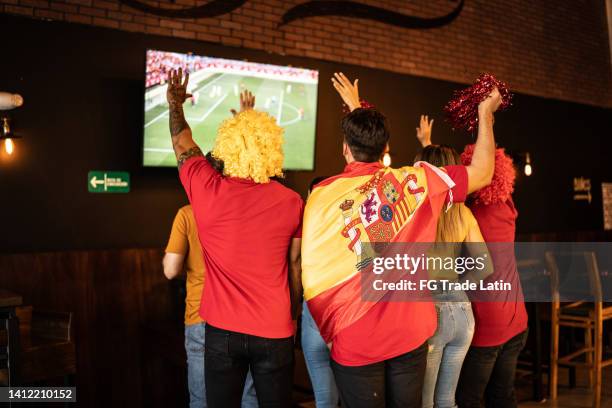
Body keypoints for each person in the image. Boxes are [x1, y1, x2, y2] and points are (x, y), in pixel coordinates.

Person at [301, 72, 501, 408]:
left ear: (345, 150)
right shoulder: (418, 180)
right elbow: (482, 171)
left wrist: (355, 111)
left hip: (355, 336)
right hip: (410, 332)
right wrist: (484, 114)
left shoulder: (322, 195)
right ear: (387, 150)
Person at [166, 69, 303, 408]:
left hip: (222, 332)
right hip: (275, 329)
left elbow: (183, 142)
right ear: (273, 147)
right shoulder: (291, 201)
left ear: (226, 146)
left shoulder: (206, 189)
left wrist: (174, 105)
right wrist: (294, 313)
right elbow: (295, 265)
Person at [417, 117, 528, 408]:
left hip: (483, 324)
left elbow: (440, 183)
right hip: (512, 320)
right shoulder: (505, 208)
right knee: (498, 397)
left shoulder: (459, 212)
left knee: (450, 400)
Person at [412, 140, 492, 408]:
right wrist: (457, 287)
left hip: (430, 312)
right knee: (447, 401)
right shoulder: (464, 213)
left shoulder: (417, 211)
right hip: (462, 313)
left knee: (425, 402)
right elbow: (485, 266)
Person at [163, 204, 259, 408]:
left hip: (201, 316)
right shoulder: (242, 210)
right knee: (248, 398)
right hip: (243, 316)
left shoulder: (187, 214)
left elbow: (170, 270)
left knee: (201, 400)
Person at [301, 177, 340, 408]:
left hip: (313, 310)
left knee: (325, 400)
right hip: (341, 311)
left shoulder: (304, 223)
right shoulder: (348, 227)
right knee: (352, 396)